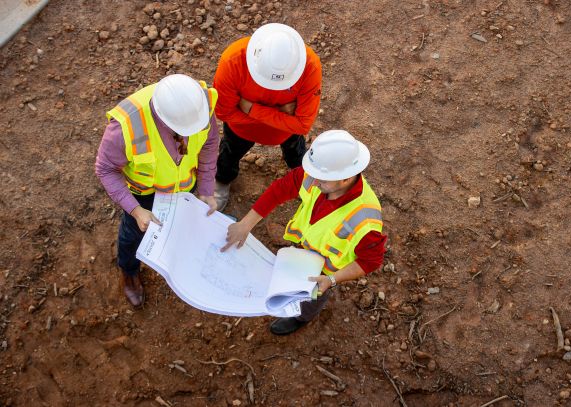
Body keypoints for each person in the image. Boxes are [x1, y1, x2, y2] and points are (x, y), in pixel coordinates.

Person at [222, 130, 387, 335]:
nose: (314, 182)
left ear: (345, 179)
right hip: (304, 252)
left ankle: (302, 317)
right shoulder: (318, 176)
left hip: (324, 272)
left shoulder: (366, 221)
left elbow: (369, 261)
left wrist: (332, 280)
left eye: (323, 180)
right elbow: (279, 189)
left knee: (313, 297)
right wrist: (245, 224)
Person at [95, 74, 219, 308]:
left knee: (180, 224)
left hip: (185, 185)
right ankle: (129, 271)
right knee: (132, 235)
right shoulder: (126, 127)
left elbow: (209, 144)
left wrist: (206, 190)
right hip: (144, 196)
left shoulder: (199, 105)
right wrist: (136, 210)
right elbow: (105, 170)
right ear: (163, 118)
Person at [212, 23, 322, 211]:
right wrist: (282, 114)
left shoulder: (310, 66)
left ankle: (305, 182)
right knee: (229, 154)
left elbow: (303, 125)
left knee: (296, 155)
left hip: (284, 132)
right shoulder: (232, 61)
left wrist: (251, 109)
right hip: (244, 130)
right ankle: (223, 180)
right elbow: (223, 112)